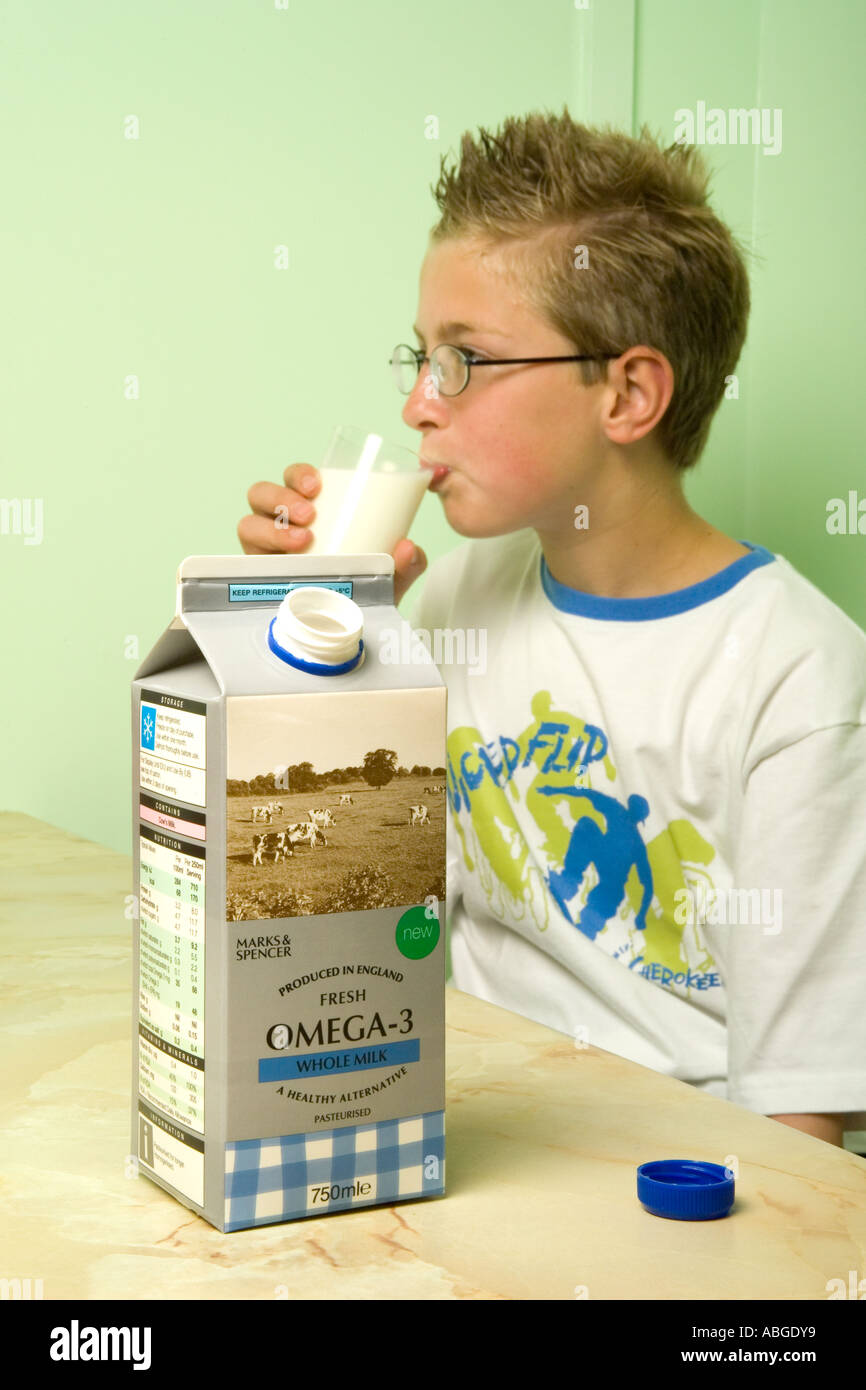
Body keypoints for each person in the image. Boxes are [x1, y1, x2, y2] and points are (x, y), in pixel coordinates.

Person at [238, 110, 866, 1150]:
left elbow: (798, 1129)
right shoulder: (448, 602)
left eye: (463, 361)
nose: (415, 406)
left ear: (625, 393)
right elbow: (324, 910)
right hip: (468, 1128)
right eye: (419, 355)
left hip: (682, 1179)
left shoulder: (798, 682)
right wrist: (305, 644)